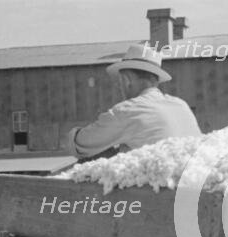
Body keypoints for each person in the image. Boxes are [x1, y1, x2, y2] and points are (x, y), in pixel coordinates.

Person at [69, 44, 202, 159]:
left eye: (119, 82)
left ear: (126, 80)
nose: (118, 87)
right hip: (193, 183)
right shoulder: (181, 104)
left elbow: (80, 143)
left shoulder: (127, 111)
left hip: (160, 187)